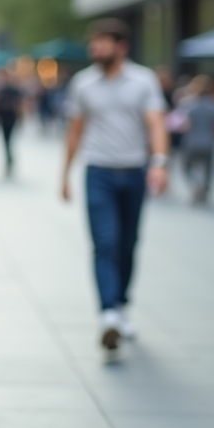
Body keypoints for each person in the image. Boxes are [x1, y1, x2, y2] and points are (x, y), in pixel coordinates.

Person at [61, 19, 168, 353]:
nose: (95, 48)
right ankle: (108, 312)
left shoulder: (144, 81)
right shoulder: (83, 84)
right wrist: (64, 175)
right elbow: (76, 130)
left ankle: (120, 304)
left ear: (122, 46)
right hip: (99, 173)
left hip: (134, 171)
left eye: (102, 42)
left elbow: (156, 124)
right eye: (94, 42)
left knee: (128, 243)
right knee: (105, 242)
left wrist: (160, 163)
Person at [180, 75, 214, 204]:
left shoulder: (189, 105)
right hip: (209, 142)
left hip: (192, 142)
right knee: (208, 169)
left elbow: (186, 125)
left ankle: (195, 185)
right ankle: (205, 190)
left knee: (187, 167)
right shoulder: (213, 105)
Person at [0, 69, 24, 177]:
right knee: (6, 140)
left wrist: (21, 116)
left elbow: (20, 105)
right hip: (4, 118)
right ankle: (8, 158)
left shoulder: (13, 90)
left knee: (8, 139)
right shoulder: (1, 90)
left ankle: (9, 158)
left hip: (11, 118)